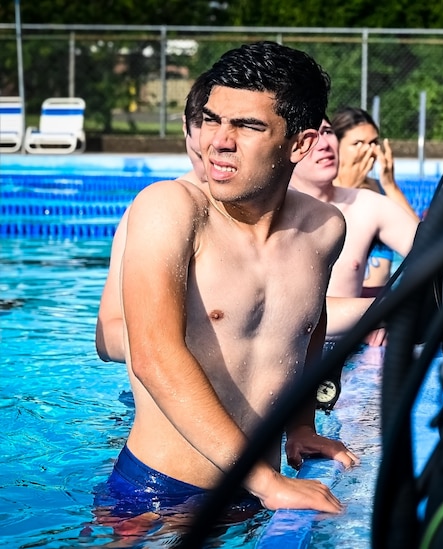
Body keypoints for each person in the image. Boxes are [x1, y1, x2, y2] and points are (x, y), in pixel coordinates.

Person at [97, 41, 360, 522]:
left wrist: (302, 424)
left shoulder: (324, 229)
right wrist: (268, 484)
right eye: (214, 119)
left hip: (259, 495)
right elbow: (154, 356)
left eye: (248, 126)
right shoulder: (170, 209)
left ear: (299, 143)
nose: (218, 140)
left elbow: (309, 326)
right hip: (158, 495)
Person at [95, 76, 209, 364]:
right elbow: (107, 335)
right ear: (186, 128)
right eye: (199, 152)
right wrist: (170, 348)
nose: (212, 157)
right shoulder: (153, 211)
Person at [290, 116, 420, 346]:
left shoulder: (366, 204)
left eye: (328, 132)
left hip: (347, 355)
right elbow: (291, 316)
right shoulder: (267, 212)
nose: (323, 144)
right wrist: (380, 312)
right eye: (310, 136)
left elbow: (440, 254)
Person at [330, 106, 420, 297]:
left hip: (380, 305)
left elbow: (421, 242)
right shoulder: (323, 191)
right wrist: (349, 189)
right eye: (358, 143)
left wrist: (390, 185)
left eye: (373, 143)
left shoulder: (380, 191)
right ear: (336, 145)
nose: (370, 151)